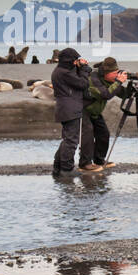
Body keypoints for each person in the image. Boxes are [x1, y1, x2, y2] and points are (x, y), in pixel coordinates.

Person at [79, 56, 136, 172]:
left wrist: (134, 87)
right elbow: (105, 94)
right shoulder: (93, 78)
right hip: (83, 110)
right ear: (106, 72)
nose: (117, 75)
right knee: (88, 136)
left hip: (95, 111)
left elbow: (123, 94)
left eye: (117, 73)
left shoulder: (109, 80)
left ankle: (99, 160)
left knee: (104, 133)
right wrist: (118, 81)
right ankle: (84, 164)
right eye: (115, 73)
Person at [51, 47, 92, 178]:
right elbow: (83, 84)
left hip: (65, 108)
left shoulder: (60, 70)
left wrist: (81, 68)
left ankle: (58, 167)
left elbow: (75, 79)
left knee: (67, 139)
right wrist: (84, 70)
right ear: (70, 60)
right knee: (71, 140)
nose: (76, 62)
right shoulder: (64, 73)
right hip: (70, 109)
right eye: (75, 60)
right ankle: (67, 169)